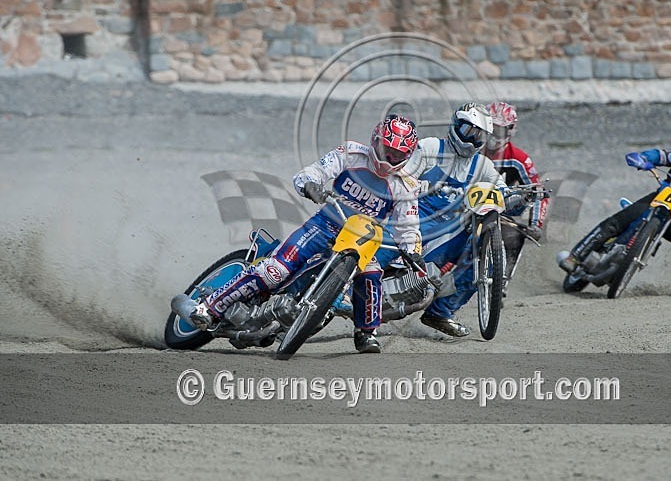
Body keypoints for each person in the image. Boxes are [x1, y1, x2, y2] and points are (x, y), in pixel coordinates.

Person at [173, 114, 424, 353]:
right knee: (275, 272)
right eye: (384, 149)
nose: (387, 157)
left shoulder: (405, 186)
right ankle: (209, 307)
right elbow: (311, 172)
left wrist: (413, 252)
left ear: (407, 156)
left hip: (361, 242)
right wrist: (311, 185)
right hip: (324, 225)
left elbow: (408, 227)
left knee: (372, 274)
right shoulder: (351, 153)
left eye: (396, 155)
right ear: (375, 140)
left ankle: (366, 333)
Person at [557, 129, 671, 298]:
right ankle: (575, 257)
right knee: (614, 223)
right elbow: (660, 155)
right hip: (654, 203)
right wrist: (643, 158)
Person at [404, 102, 525, 336]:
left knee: (480, 255)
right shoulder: (430, 148)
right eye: (469, 132)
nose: (472, 140)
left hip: (449, 231)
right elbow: (400, 177)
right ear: (456, 125)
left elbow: (500, 190)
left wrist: (519, 197)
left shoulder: (483, 165)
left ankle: (441, 312)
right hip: (411, 221)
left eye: (479, 135)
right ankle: (343, 292)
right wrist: (419, 185)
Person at [484, 101, 550, 285]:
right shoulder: (468, 150)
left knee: (514, 237)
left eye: (499, 130)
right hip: (465, 209)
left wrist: (536, 224)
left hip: (500, 212)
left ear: (510, 130)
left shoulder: (519, 159)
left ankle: (501, 282)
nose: (493, 136)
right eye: (490, 128)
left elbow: (537, 191)